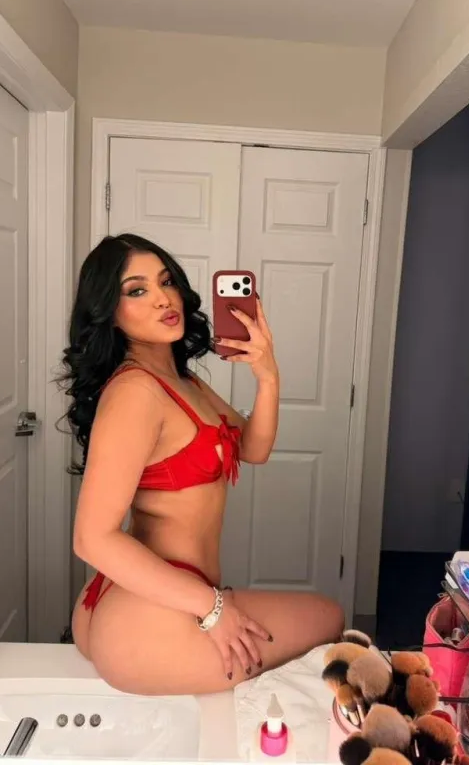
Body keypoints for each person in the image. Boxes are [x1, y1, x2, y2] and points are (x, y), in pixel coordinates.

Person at [62, 233, 344, 695]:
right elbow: (90, 538)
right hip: (145, 616)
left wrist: (268, 376)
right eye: (137, 290)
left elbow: (253, 448)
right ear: (110, 312)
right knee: (329, 619)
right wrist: (212, 608)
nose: (162, 298)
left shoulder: (180, 380)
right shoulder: (135, 392)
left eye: (166, 281)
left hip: (159, 597)